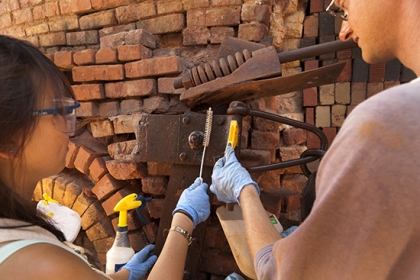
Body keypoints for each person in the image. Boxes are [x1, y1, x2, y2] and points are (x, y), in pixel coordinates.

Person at [208, 0, 420, 279]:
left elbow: (280, 273)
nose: (344, 31)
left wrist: (244, 190)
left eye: (344, 6)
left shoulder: (389, 122)